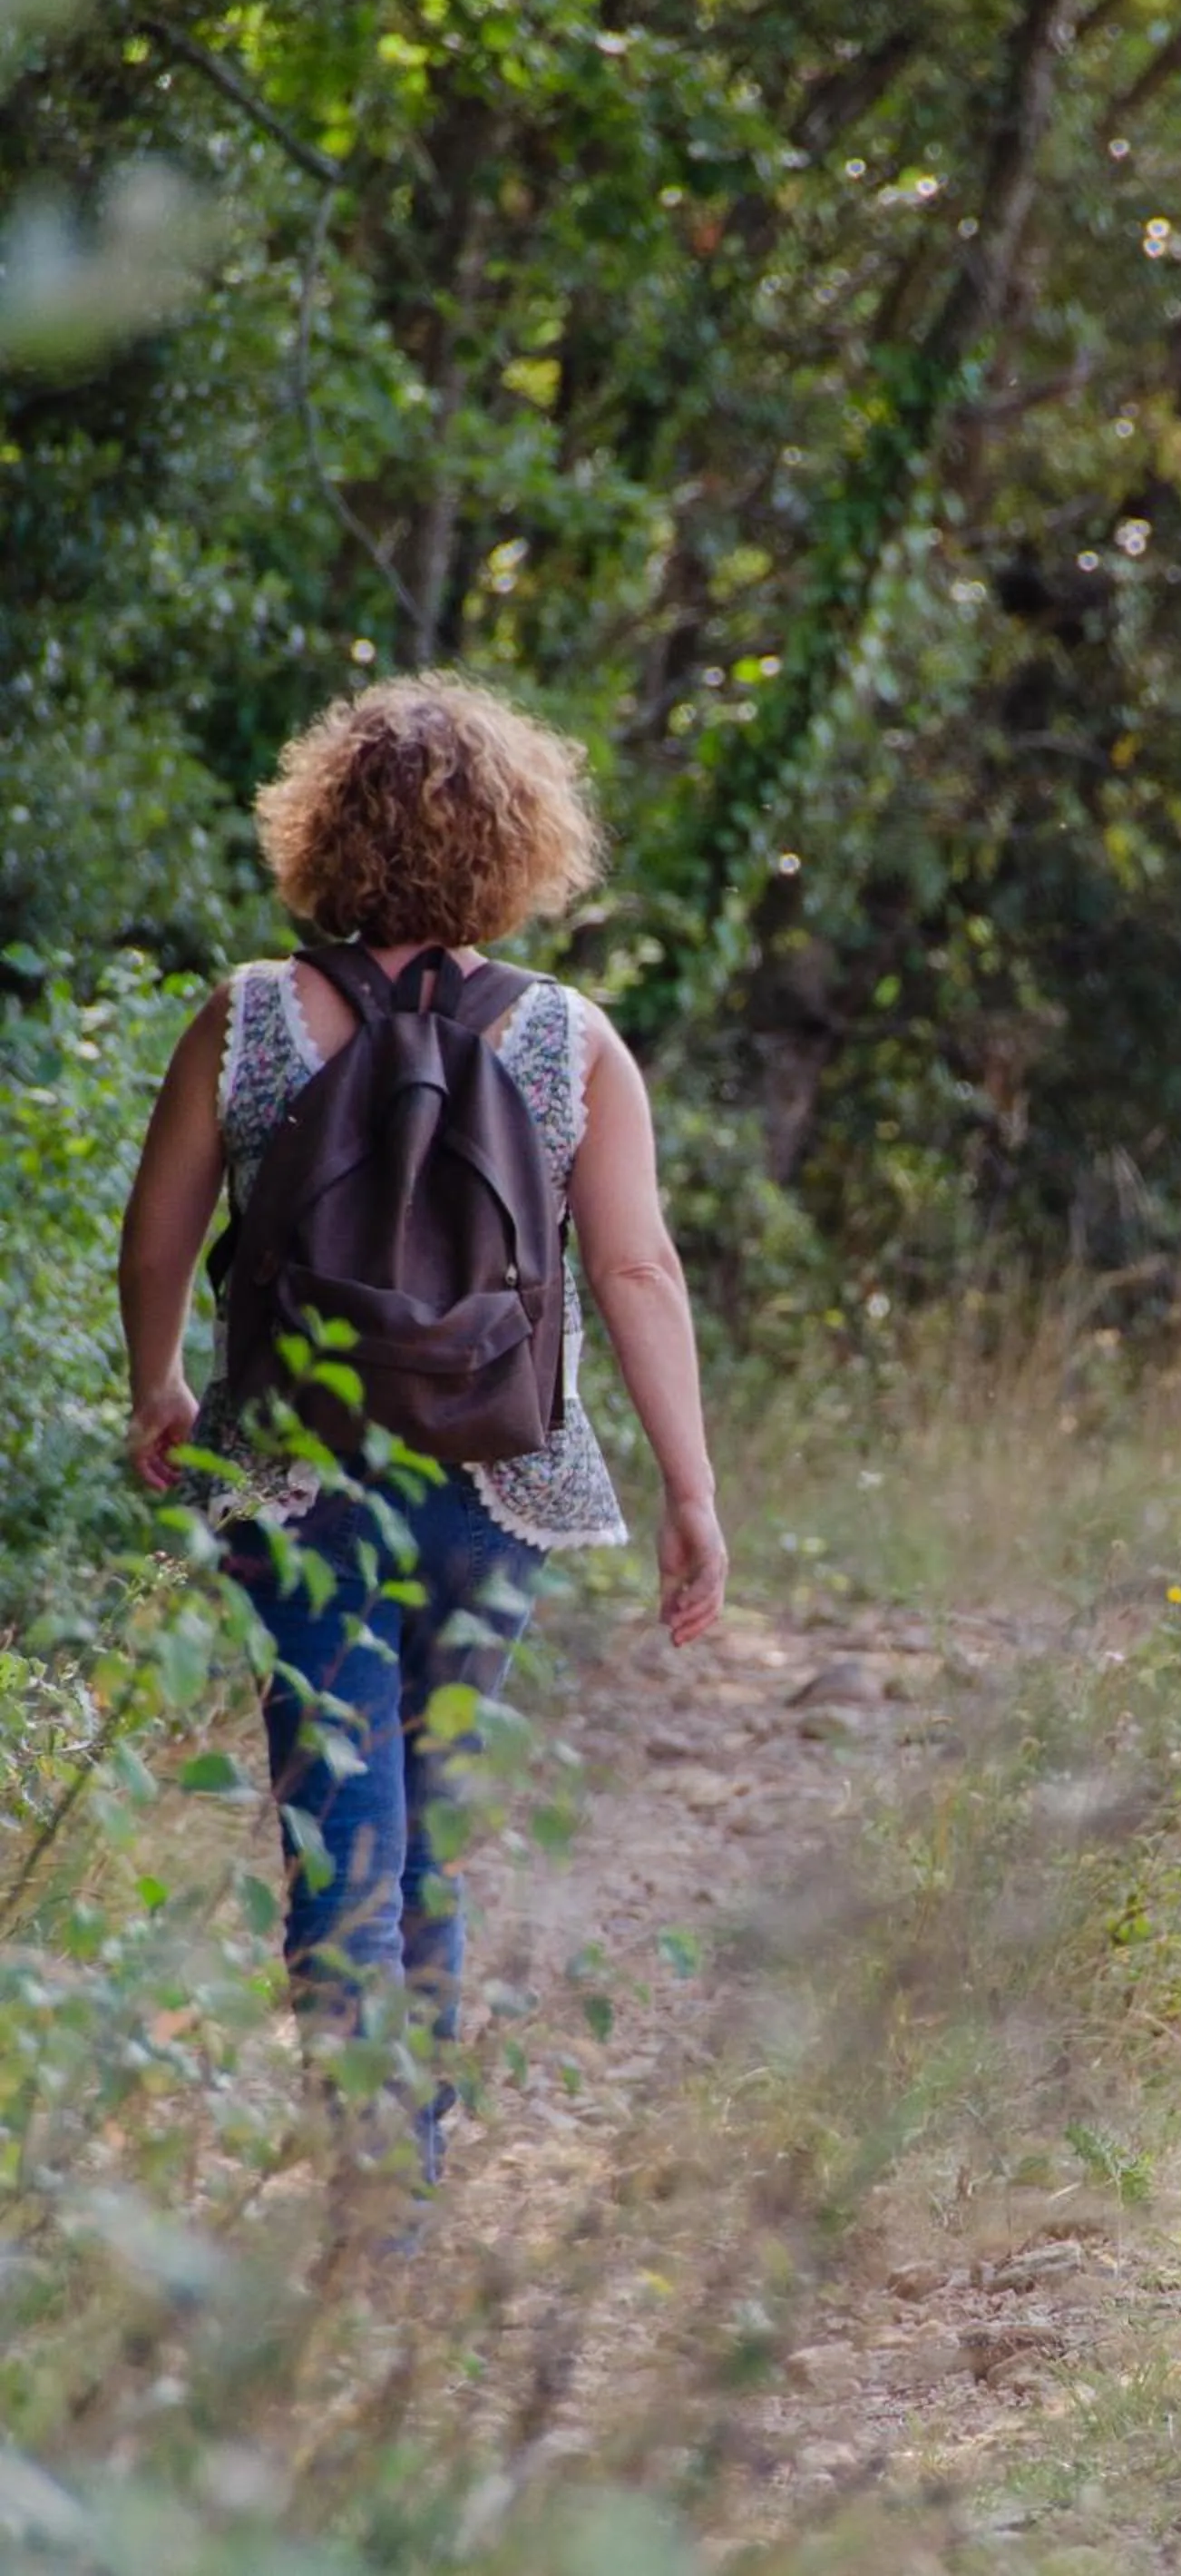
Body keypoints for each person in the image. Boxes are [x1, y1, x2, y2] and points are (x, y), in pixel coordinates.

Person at [119, 673, 727, 2188]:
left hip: (294, 1474)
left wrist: (160, 1386)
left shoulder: (249, 1017)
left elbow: (158, 1230)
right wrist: (690, 1493)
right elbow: (636, 1271)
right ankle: (407, 2184)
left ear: (319, 829)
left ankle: (372, 2203)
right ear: (520, 846)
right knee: (431, 1837)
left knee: (343, 1840)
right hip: (499, 1483)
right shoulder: (569, 1038)